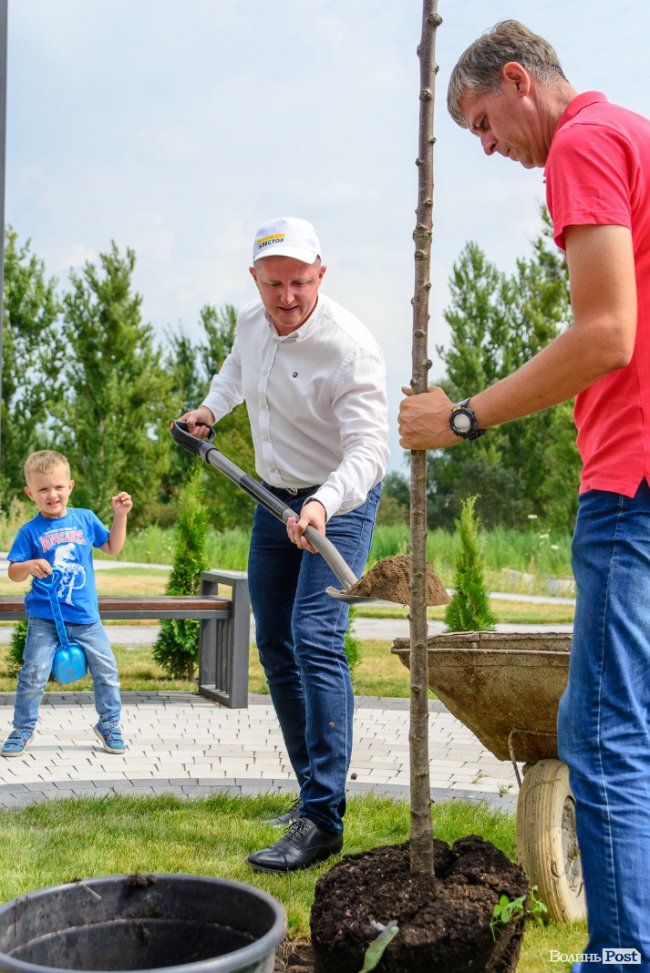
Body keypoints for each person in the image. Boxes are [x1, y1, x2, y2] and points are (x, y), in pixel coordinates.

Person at [399, 20, 650, 971]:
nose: (486, 144)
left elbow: (606, 335)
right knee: (611, 718)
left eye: (480, 122)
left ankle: (621, 955)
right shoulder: (637, 132)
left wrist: (461, 418)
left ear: (517, 79)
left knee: (606, 727)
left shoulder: (583, 142)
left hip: (631, 479)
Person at [184, 216, 389, 872]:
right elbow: (236, 370)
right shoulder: (251, 319)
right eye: (275, 283)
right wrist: (209, 411)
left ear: (321, 275)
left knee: (314, 636)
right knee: (273, 638)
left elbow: (370, 448)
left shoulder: (349, 346)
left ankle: (324, 819)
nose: (288, 296)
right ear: (256, 279)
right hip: (274, 499)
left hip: (341, 499)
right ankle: (311, 796)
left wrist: (324, 504)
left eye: (301, 282)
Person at [1, 450, 132, 758]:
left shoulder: (84, 519)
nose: (52, 494)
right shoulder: (30, 531)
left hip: (86, 618)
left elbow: (112, 547)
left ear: (70, 487)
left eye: (58, 487)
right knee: (33, 675)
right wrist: (30, 565)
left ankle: (109, 725)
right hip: (45, 619)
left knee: (107, 672)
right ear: (30, 493)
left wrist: (120, 515)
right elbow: (13, 572)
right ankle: (22, 729)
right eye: (43, 489)